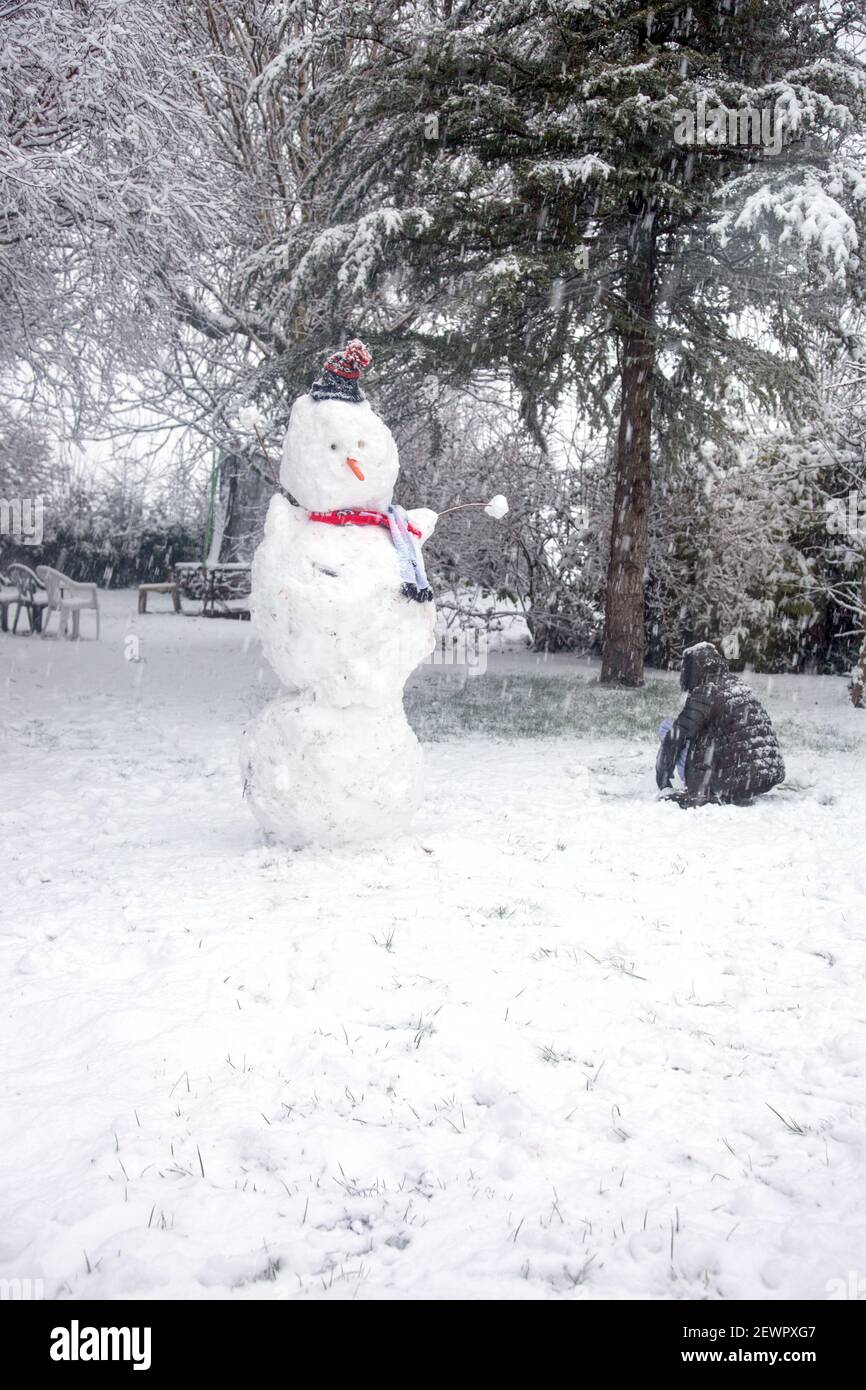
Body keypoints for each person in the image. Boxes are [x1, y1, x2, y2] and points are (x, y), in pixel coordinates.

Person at [656, 642, 785, 807]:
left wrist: (663, 781)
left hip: (730, 781)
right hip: (764, 775)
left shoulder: (707, 690)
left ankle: (698, 783)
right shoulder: (740, 687)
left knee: (667, 727)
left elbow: (676, 737)